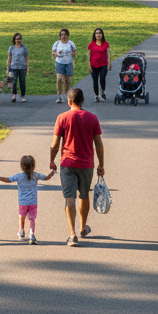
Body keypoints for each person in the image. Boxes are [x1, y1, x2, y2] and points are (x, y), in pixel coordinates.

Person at [49, 86, 105, 246]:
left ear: (69, 101)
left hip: (67, 164)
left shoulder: (62, 117)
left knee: (69, 197)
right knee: (84, 195)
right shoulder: (92, 118)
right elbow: (99, 144)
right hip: (86, 164)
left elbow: (54, 144)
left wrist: (51, 160)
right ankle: (82, 227)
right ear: (82, 101)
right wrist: (101, 164)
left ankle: (72, 234)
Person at [0, 154, 55, 245]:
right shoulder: (36, 175)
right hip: (33, 202)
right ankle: (32, 234)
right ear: (33, 165)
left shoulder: (19, 176)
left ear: (22, 166)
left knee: (22, 216)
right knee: (32, 219)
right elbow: (46, 178)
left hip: (22, 202)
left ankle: (22, 231)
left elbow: (7, 180)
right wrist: (52, 172)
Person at [52, 28, 77, 103]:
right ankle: (59, 96)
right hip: (59, 62)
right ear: (60, 36)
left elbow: (74, 52)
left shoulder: (71, 43)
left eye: (65, 35)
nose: (63, 36)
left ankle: (65, 93)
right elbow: (53, 52)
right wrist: (57, 54)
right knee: (59, 79)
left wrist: (70, 54)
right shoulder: (57, 43)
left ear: (68, 36)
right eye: (62, 35)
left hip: (68, 63)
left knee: (67, 80)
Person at [87, 28, 110, 102]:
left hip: (103, 64)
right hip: (94, 65)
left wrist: (109, 63)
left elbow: (108, 54)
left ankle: (102, 93)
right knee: (95, 81)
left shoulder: (105, 43)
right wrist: (89, 64)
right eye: (96, 33)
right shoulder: (92, 44)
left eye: (100, 33)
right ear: (94, 35)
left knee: (102, 79)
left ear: (102, 34)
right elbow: (88, 54)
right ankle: (97, 95)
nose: (98, 34)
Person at [6, 32, 29, 102]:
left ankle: (22, 96)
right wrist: (7, 68)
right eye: (16, 39)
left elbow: (26, 58)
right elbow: (9, 58)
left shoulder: (24, 48)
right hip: (13, 68)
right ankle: (14, 95)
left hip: (22, 68)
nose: (18, 41)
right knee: (14, 82)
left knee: (22, 82)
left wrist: (28, 67)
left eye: (19, 39)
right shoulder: (11, 48)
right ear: (14, 40)